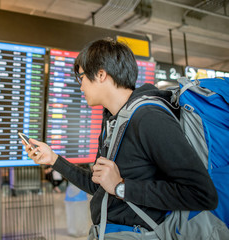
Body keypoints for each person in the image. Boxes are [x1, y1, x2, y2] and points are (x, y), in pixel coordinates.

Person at [23, 38, 218, 235]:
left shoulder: (148, 118)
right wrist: (53, 159)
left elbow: (202, 194)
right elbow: (98, 185)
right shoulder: (113, 121)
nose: (80, 87)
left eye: (81, 77)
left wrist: (121, 188)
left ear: (100, 74)